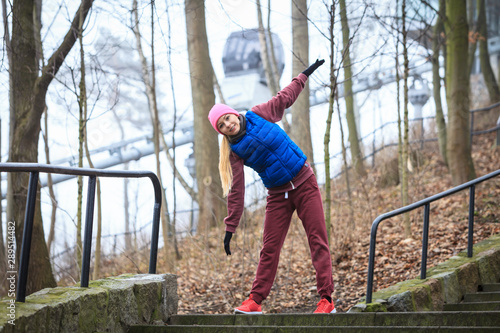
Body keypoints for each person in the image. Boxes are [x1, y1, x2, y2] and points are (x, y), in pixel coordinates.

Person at [208, 59, 335, 314]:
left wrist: (303, 76)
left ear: (233, 113)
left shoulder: (257, 115)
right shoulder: (234, 152)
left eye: (227, 119)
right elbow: (236, 191)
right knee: (269, 248)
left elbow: (284, 98)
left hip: (304, 181)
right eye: (221, 126)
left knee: (317, 240)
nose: (227, 125)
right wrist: (230, 226)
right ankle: (255, 300)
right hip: (278, 195)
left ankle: (326, 300)